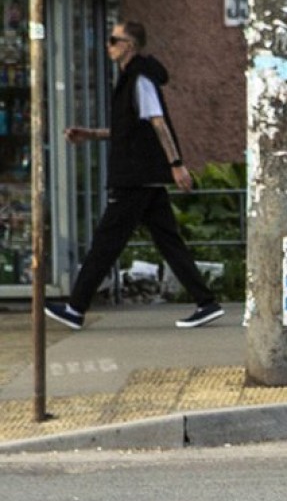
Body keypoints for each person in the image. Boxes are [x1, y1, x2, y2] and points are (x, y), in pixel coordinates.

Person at [46, 21, 223, 331]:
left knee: (106, 242)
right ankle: (206, 302)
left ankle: (75, 308)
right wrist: (91, 134)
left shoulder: (140, 79)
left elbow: (158, 123)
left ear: (129, 45)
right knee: (168, 241)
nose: (108, 45)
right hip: (142, 177)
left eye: (113, 39)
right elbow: (131, 129)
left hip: (135, 177)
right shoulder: (131, 79)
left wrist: (177, 164)